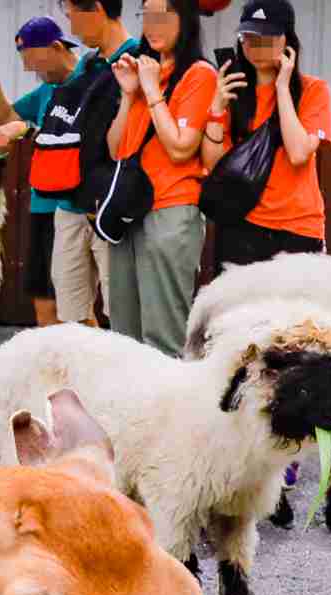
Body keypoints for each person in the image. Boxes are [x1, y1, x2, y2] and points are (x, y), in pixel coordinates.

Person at [102, 0, 218, 357]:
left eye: (162, 15)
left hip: (171, 209)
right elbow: (115, 149)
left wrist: (151, 90)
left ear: (185, 19)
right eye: (146, 15)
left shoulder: (199, 74)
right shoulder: (144, 73)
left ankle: (172, 412)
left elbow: (181, 148)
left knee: (164, 338)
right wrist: (127, 94)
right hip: (129, 211)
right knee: (124, 336)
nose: (152, 24)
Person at [204, 0, 330, 275]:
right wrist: (215, 109)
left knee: (295, 317)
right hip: (241, 224)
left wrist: (283, 88)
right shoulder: (232, 90)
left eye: (267, 37)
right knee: (237, 316)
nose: (256, 45)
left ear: (287, 40)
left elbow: (298, 153)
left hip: (297, 228)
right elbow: (214, 165)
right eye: (249, 37)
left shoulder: (313, 90)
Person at [0, 18, 81, 329]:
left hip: (76, 208)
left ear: (57, 47)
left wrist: (28, 129)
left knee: (76, 306)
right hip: (42, 204)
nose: (33, 71)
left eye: (34, 61)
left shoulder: (92, 77)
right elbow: (8, 117)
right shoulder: (48, 89)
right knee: (43, 297)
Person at [51, 0, 137, 328]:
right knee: (71, 315)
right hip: (70, 203)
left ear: (97, 8)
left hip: (111, 206)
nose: (71, 28)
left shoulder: (138, 59)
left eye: (72, 16)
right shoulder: (86, 63)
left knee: (122, 311)